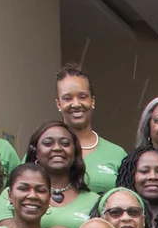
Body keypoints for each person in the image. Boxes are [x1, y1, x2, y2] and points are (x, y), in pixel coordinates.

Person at [54, 63, 126, 192]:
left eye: (82, 97)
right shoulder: (42, 150)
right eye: (67, 98)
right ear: (58, 104)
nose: (76, 104)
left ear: (92, 101)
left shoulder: (117, 154)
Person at [23, 119, 94, 228]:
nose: (57, 148)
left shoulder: (94, 201)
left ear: (75, 153)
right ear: (35, 152)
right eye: (48, 143)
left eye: (65, 143)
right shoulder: (15, 194)